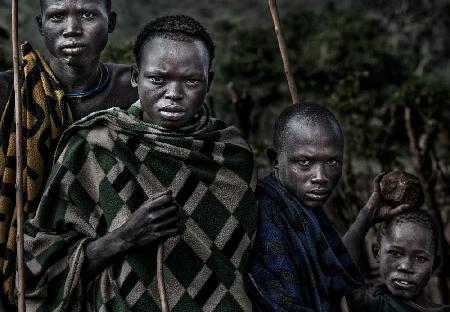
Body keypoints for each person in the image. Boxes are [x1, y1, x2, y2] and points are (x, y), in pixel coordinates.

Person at [23, 15, 258, 311]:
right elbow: (38, 268)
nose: (173, 95)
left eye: (191, 81)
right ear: (136, 77)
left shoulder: (231, 156)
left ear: (208, 82)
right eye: (158, 79)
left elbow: (247, 264)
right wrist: (125, 237)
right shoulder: (95, 145)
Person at [0, 0, 138, 307]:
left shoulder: (136, 88)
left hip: (122, 261)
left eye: (88, 15)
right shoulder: (10, 91)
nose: (72, 29)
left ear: (111, 22)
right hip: (25, 260)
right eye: (58, 16)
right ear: (40, 25)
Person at [245, 102, 410, 312]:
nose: (321, 177)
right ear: (275, 159)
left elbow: (334, 273)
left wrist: (367, 215)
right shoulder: (265, 214)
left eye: (332, 163)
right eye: (304, 162)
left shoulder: (301, 205)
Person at [346, 209, 450, 311]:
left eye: (420, 258)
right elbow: (342, 262)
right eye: (395, 253)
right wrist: (367, 213)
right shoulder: (373, 304)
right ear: (377, 252)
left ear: (434, 265)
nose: (405, 267)